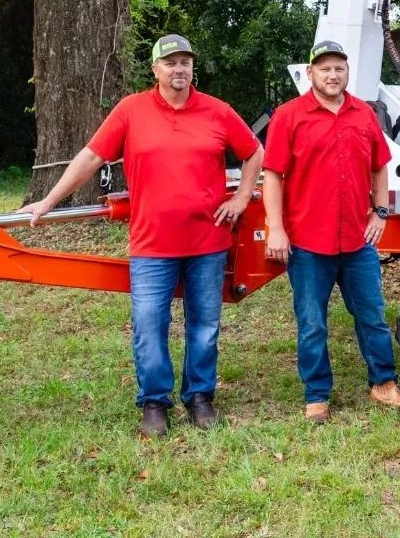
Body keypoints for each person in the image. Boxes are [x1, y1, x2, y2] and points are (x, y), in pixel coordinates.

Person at [19, 34, 264, 438]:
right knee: (150, 324)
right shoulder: (132, 110)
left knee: (204, 325)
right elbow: (92, 156)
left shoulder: (217, 112)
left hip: (208, 242)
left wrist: (240, 198)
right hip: (153, 244)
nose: (179, 69)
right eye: (170, 63)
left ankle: (200, 398)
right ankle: (154, 402)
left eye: (185, 62)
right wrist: (49, 200)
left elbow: (254, 151)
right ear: (156, 70)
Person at [262, 39, 400, 424]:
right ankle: (317, 394)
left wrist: (380, 212)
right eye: (325, 68)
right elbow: (272, 175)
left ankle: (384, 383)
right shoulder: (289, 115)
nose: (333, 75)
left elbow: (380, 166)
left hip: (356, 240)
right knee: (312, 321)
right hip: (307, 241)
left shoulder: (363, 113)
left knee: (372, 316)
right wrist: (276, 229)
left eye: (339, 68)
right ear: (310, 73)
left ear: (347, 72)